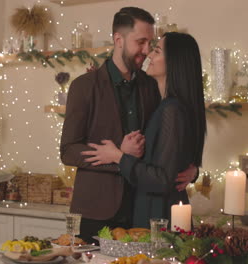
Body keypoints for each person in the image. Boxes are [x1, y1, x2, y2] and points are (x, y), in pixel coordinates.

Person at [60, 7, 198, 243]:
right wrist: (119, 156)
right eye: (141, 42)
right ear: (118, 40)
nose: (146, 51)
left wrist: (193, 169)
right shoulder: (84, 86)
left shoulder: (151, 85)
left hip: (140, 210)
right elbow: (68, 150)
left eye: (150, 43)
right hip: (96, 210)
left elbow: (168, 140)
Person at [81, 32, 207, 229]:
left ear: (174, 62)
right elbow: (170, 164)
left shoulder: (172, 110)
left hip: (159, 215)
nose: (149, 55)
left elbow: (162, 179)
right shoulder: (164, 103)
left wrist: (118, 156)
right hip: (154, 209)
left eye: (156, 51)